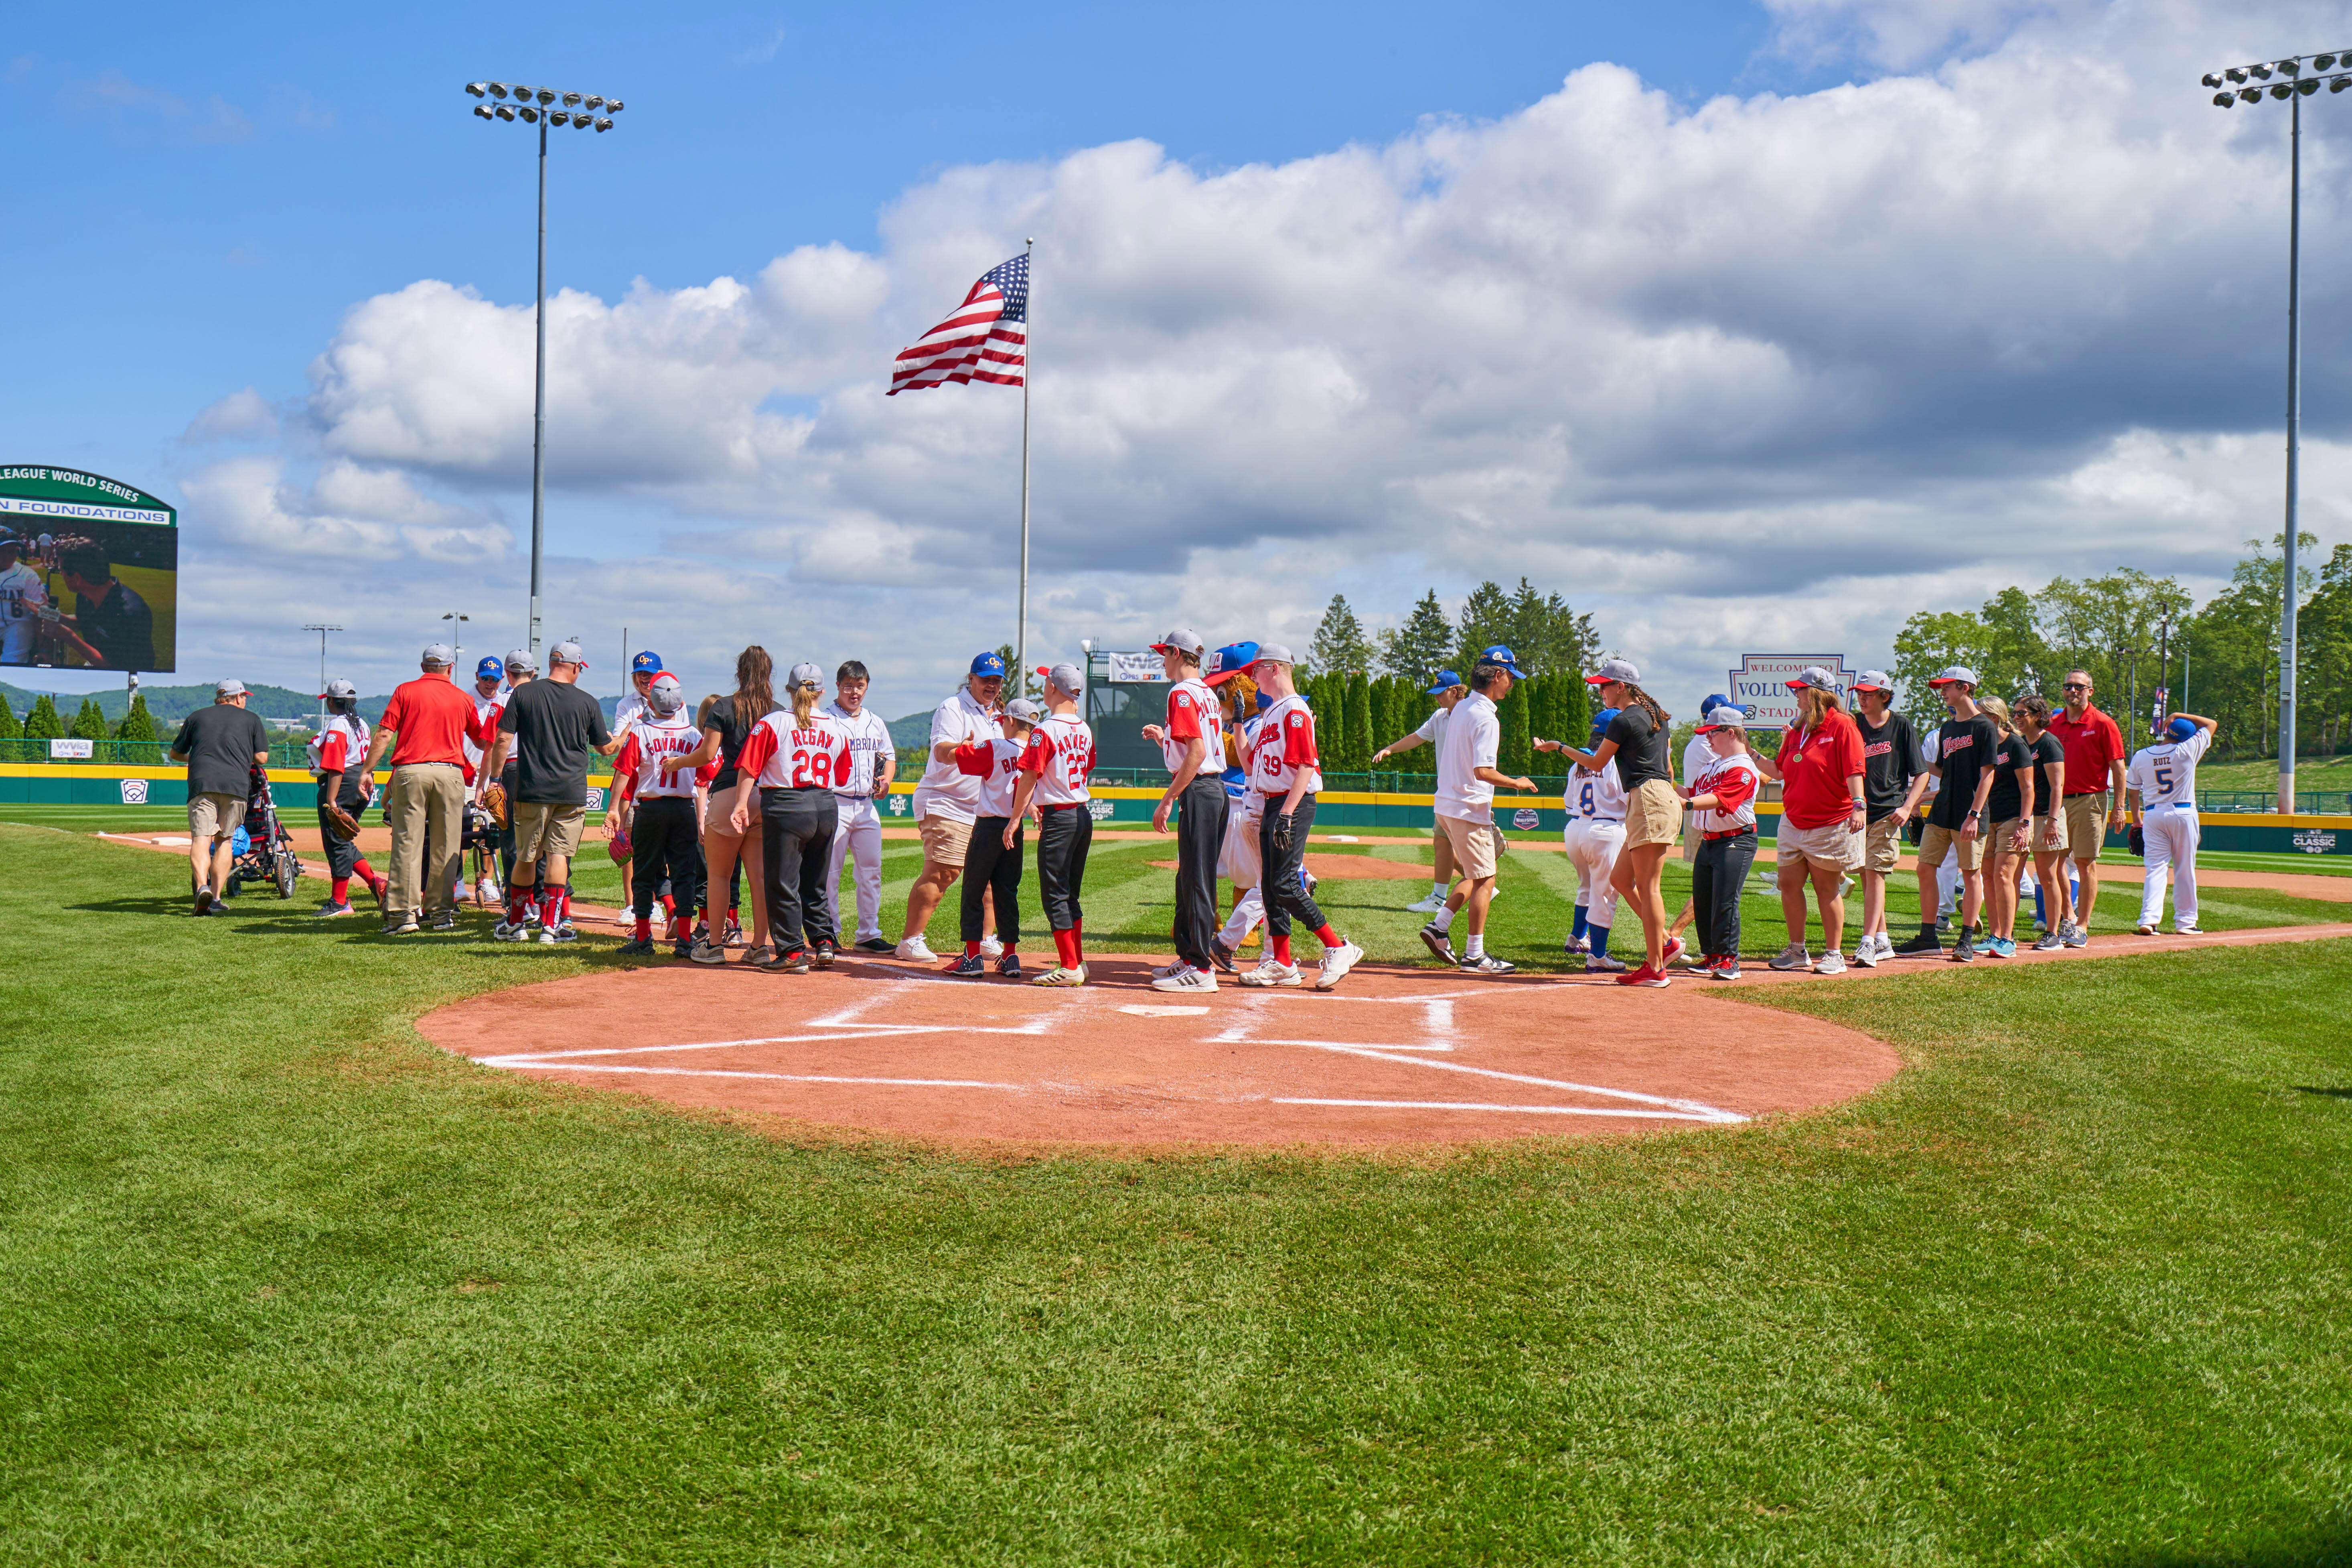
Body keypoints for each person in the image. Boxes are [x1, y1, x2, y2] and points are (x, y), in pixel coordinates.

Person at [1236, 645, 1364, 990]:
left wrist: (1287, 814)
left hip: (1292, 803)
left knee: (1286, 884)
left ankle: (1338, 946)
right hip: (1271, 803)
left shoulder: (1295, 711)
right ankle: (1281, 963)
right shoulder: (1272, 712)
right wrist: (1236, 724)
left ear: (1275, 669)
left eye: (1257, 669)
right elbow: (1249, 767)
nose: (1252, 676)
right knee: (1270, 889)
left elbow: (1307, 765)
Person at [485, 640, 625, 945]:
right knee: (558, 855)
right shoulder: (587, 701)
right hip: (572, 790)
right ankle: (551, 927)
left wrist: (495, 779)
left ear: (550, 664)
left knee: (526, 857)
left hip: (532, 788)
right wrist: (625, 736)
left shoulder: (524, 693)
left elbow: (503, 739)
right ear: (576, 667)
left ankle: (517, 923)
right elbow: (605, 748)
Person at [1558, 658, 1685, 987]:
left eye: (1604, 685)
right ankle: (1667, 946)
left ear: (1621, 687)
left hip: (1648, 799)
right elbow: (1668, 767)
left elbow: (1598, 762)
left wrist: (1560, 748)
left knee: (1649, 887)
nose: (1600, 691)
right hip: (1656, 796)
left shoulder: (1622, 720)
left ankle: (1656, 966)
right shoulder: (1655, 714)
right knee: (1619, 879)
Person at [1418, 645, 1535, 975]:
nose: (1511, 684)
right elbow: (1483, 771)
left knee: (1476, 874)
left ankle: (1440, 926)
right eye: (1510, 677)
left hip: (1447, 804)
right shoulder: (1485, 716)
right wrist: (1517, 782)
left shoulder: (1463, 708)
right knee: (1486, 878)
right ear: (1497, 675)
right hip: (1469, 807)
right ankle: (1475, 954)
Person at [727, 662, 851, 973]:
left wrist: (741, 803)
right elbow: (844, 772)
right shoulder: (837, 726)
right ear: (822, 691)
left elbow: (749, 768)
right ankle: (824, 942)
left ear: (789, 690)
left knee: (783, 882)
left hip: (786, 804)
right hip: (825, 804)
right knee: (816, 881)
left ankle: (793, 952)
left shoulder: (772, 723)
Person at [666, 647, 777, 964]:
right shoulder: (779, 711)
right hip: (767, 796)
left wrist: (677, 763)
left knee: (718, 875)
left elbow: (705, 754)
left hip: (730, 792)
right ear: (768, 675)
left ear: (739, 674)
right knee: (759, 877)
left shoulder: (724, 707)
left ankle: (714, 945)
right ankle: (759, 946)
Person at [1752, 667, 1866, 975]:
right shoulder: (1796, 729)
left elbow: (1854, 770)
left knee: (1825, 888)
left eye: (1800, 690)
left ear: (1816, 693)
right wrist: (1750, 753)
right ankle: (1797, 950)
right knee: (1788, 884)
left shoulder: (1842, 725)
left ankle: (1834, 954)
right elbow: (1779, 772)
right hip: (1793, 819)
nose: (1796, 694)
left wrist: (1859, 806)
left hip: (1830, 820)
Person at [359, 644, 477, 934]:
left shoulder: (405, 691)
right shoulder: (463, 698)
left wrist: (367, 770)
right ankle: (441, 915)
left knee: (407, 844)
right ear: (451, 668)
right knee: (447, 844)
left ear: (423, 667)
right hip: (451, 773)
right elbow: (484, 740)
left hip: (411, 771)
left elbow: (385, 733)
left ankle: (403, 916)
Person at [900, 652, 1007, 963]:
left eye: (997, 680)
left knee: (988, 876)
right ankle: (910, 940)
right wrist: (961, 749)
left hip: (982, 808)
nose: (991, 685)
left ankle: (986, 938)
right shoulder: (953, 707)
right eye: (985, 679)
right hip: (946, 801)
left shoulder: (998, 716)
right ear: (971, 679)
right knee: (943, 872)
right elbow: (941, 749)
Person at [1139, 627, 1228, 992]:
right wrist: (1165, 740)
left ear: (1177, 653)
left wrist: (1168, 798)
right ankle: (1191, 957)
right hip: (1211, 791)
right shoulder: (1206, 691)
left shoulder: (1182, 692)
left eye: (1165, 653)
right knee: (1190, 879)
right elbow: (1197, 745)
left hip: (1201, 791)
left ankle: (1201, 968)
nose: (1162, 660)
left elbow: (1197, 753)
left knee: (1197, 881)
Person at [1892, 666, 1999, 961]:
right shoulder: (1949, 728)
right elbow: (1942, 769)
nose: (1942, 692)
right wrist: (1918, 763)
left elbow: (1987, 775)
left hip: (1969, 812)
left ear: (1965, 688)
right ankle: (1928, 937)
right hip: (1942, 809)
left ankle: (1965, 938)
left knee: (1971, 873)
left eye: (1947, 687)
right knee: (1925, 868)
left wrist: (1974, 815)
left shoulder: (1984, 726)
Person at [1006, 663, 1099, 986]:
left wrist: (1015, 818)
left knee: (1055, 894)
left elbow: (1029, 776)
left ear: (1055, 689)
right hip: (1081, 814)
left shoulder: (1046, 729)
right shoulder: (1084, 729)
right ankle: (1078, 962)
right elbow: (1088, 764)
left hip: (1059, 817)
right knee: (1070, 893)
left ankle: (1070, 966)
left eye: (1047, 682)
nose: (1043, 686)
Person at [612, 673, 712, 957]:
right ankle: (684, 939)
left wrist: (613, 809)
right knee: (685, 874)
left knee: (644, 874)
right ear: (681, 702)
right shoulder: (694, 735)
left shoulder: (641, 731)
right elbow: (707, 775)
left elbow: (624, 772)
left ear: (651, 705)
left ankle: (644, 939)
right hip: (684, 810)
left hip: (651, 809)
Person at [948, 697, 1040, 978]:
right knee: (1007, 892)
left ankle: (973, 956)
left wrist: (965, 743)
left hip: (989, 826)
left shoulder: (995, 746)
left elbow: (960, 757)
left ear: (1010, 721)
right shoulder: (1037, 750)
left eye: (1003, 722)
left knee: (973, 890)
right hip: (1016, 827)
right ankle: (1010, 956)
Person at [1371, 671, 1474, 916]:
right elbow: (1417, 738)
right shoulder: (1440, 717)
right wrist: (1390, 750)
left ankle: (1473, 885)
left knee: (1456, 844)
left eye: (1441, 693)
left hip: (1466, 793)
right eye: (1435, 693)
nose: (1437, 698)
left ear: (1455, 691)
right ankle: (1460, 890)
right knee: (1443, 842)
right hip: (1447, 792)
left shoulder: (1469, 714)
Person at [167, 678, 271, 915]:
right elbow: (262, 758)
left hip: (202, 783)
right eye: (244, 696)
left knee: (201, 839)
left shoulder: (197, 716)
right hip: (236, 786)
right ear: (236, 697)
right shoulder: (252, 719)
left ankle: (201, 887)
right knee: (225, 840)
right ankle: (215, 897)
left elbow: (175, 753)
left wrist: (196, 758)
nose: (245, 700)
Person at [1537, 704, 1628, 974]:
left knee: (1587, 887)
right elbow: (1627, 800)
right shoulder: (1616, 761)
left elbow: (1569, 802)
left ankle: (1577, 938)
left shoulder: (1580, 761)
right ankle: (1598, 955)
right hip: (1605, 830)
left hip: (1576, 828)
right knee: (1605, 894)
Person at [1679, 704, 1765, 980]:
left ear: (1730, 733)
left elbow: (1721, 799)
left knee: (1725, 901)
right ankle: (1712, 956)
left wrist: (1687, 803)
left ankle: (1729, 960)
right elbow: (1692, 791)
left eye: (1712, 733)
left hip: (1736, 839)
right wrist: (1663, 783)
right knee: (1704, 901)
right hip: (1709, 841)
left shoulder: (1744, 767)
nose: (1708, 738)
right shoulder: (1713, 765)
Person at [1846, 671, 1924, 967]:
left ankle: (1867, 942)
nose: (1862, 698)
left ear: (1885, 695)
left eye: (1868, 693)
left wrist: (1907, 807)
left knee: (1875, 874)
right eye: (1860, 693)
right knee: (1867, 876)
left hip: (1887, 811)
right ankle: (1882, 939)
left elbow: (1922, 773)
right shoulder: (1853, 724)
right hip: (1859, 812)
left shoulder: (1901, 725)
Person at [2048, 669, 2128, 944]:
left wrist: (2119, 806)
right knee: (2054, 861)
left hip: (2090, 798)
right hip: (2057, 802)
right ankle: (2068, 916)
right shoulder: (2054, 724)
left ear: (2090, 691)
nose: (2073, 691)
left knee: (2085, 862)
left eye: (2079, 687)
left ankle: (2082, 925)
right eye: (2068, 686)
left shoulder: (2103, 723)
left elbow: (2118, 768)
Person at [823, 660, 898, 954]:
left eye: (860, 686)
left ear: (867, 686)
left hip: (866, 805)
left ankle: (868, 933)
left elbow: (888, 756)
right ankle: (828, 932)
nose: (854, 692)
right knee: (831, 872)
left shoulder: (874, 721)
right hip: (835, 801)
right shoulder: (826, 719)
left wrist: (887, 780)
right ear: (839, 686)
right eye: (849, 686)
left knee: (871, 871)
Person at [1204, 643, 1268, 970]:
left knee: (1264, 880)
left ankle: (1241, 938)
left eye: (1224, 686)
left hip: (1247, 804)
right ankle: (1219, 933)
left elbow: (1247, 756)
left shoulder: (1262, 720)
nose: (1218, 693)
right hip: (1224, 800)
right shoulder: (1230, 719)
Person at [1662, 692, 1739, 961]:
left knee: (1709, 887)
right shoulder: (1711, 746)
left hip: (1705, 814)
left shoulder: (1703, 746)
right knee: (1712, 890)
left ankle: (1682, 939)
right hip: (1710, 817)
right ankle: (1674, 935)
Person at [2127, 712, 2219, 935]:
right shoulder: (2188, 750)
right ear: (2187, 737)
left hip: (2153, 815)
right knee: (2184, 869)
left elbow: (2132, 792)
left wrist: (2136, 820)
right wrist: (2178, 714)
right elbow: (2211, 724)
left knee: (2155, 870)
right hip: (2183, 813)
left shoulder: (2141, 755)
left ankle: (2148, 920)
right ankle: (2186, 923)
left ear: (2167, 732)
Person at [308, 678, 387, 917]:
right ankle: (376, 883)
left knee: (336, 841)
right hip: (360, 778)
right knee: (343, 839)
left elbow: (335, 765)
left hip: (342, 782)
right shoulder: (360, 723)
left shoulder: (339, 725)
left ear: (333, 702)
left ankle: (340, 902)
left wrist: (332, 801)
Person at [1974, 695, 2037, 959]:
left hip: (2013, 818)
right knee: (1987, 877)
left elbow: (2028, 787)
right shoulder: (1981, 746)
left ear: (1995, 717)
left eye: (1981, 716)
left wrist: (2024, 824)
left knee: (2003, 876)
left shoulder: (2015, 744)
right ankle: (1994, 934)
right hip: (1989, 818)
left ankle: (2008, 939)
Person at [2013, 695, 2075, 950]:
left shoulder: (2049, 743)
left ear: (2038, 716)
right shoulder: (2020, 744)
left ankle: (2054, 932)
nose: (2016, 717)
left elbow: (2057, 786)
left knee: (2047, 877)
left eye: (2022, 713)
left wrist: (2051, 821)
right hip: (2023, 818)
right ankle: (2004, 933)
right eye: (2015, 713)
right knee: (2012, 876)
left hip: (2046, 816)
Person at [49, 541, 154, 670]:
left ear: (77, 579)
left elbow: (117, 669)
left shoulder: (131, 615)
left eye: (61, 570)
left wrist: (69, 638)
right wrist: (45, 612)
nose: (60, 574)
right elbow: (84, 621)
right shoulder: (85, 594)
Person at [0, 528, 47, 663]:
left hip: (18, 625)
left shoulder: (27, 575)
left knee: (12, 664)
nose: (9, 555)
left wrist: (44, 649)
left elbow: (41, 613)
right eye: (3, 550)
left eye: (13, 551)